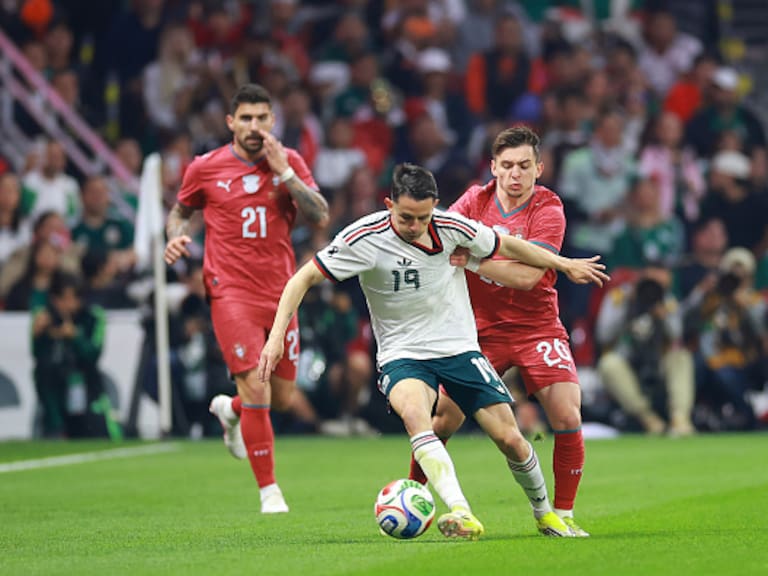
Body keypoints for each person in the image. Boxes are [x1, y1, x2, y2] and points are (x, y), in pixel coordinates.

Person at [257, 163, 609, 539]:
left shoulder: (451, 226)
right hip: (402, 354)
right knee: (417, 418)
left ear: (435, 206)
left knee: (510, 438)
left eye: (423, 217)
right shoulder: (364, 237)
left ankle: (545, 514)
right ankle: (461, 511)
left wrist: (563, 264)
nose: (415, 226)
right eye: (406, 217)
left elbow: (508, 245)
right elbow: (302, 278)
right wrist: (276, 337)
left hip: (460, 349)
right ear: (389, 204)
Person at [406, 125, 593, 537]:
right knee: (442, 421)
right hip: (477, 331)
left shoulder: (549, 208)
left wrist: (472, 261)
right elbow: (438, 237)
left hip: (536, 326)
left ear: (539, 168)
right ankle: (411, 496)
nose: (515, 174)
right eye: (507, 165)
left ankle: (563, 515)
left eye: (524, 166)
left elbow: (528, 277)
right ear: (493, 167)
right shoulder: (475, 199)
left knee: (566, 413)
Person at [163, 83, 329, 514]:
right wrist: (175, 236)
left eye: (262, 118)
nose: (254, 126)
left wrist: (285, 174)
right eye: (246, 118)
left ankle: (233, 411)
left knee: (283, 397)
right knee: (258, 384)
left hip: (281, 294)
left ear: (273, 121)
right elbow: (180, 211)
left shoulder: (289, 161)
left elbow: (319, 215)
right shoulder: (205, 167)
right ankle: (269, 491)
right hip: (230, 292)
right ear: (230, 122)